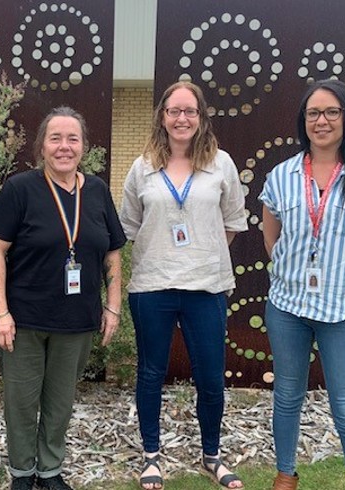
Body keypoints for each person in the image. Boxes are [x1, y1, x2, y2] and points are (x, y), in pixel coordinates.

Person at [259, 79, 345, 490]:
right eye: (313, 113)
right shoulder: (282, 175)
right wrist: (292, 270)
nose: (322, 121)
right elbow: (272, 239)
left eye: (331, 112)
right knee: (286, 396)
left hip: (344, 312)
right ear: (303, 121)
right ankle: (286, 474)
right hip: (288, 307)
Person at [0, 106, 126, 490]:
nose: (64, 147)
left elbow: (112, 252)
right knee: (22, 402)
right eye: (56, 138)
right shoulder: (20, 188)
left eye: (73, 138)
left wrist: (112, 305)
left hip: (77, 319)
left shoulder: (95, 190)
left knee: (60, 402)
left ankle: (49, 471)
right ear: (42, 146)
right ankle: (21, 472)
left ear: (84, 145)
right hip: (24, 320)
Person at [120, 81, 247, 490]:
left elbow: (230, 223)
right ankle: (152, 456)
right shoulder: (142, 167)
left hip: (206, 286)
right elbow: (131, 227)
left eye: (190, 111)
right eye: (174, 111)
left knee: (210, 377)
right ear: (162, 115)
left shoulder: (221, 164)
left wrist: (200, 253)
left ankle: (212, 455)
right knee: (151, 374)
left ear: (202, 116)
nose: (182, 119)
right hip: (153, 285)